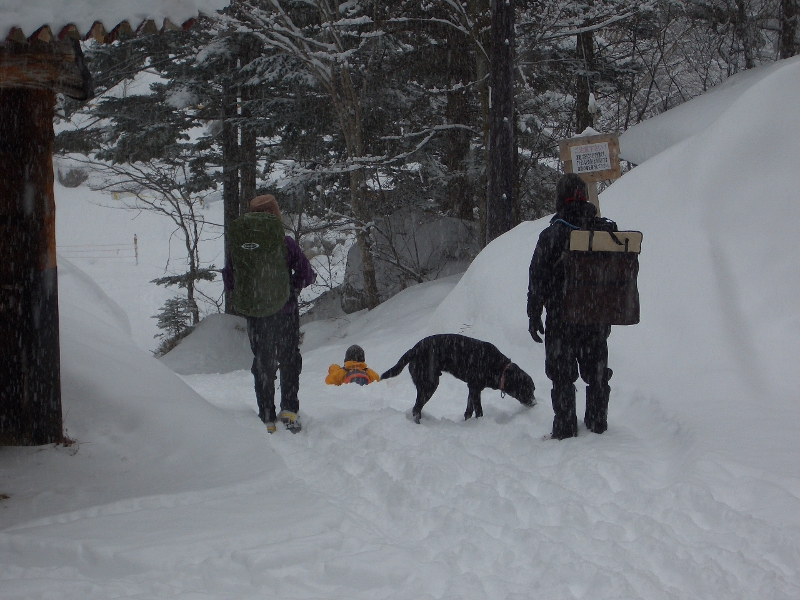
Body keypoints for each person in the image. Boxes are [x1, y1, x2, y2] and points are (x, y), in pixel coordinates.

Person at [527, 173, 613, 440]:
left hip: (561, 318)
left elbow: (537, 278)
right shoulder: (605, 231)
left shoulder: (552, 234)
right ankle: (597, 423)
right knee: (596, 372)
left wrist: (534, 313)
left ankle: (565, 427)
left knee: (562, 375)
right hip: (596, 316)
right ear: (585, 197)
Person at [223, 194, 315, 433]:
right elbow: (307, 274)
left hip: (256, 316)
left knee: (263, 362)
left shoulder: (241, 246)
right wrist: (291, 288)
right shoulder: (285, 243)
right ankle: (289, 412)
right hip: (285, 312)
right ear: (276, 215)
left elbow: (230, 279)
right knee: (289, 359)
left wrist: (253, 295)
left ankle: (266, 415)